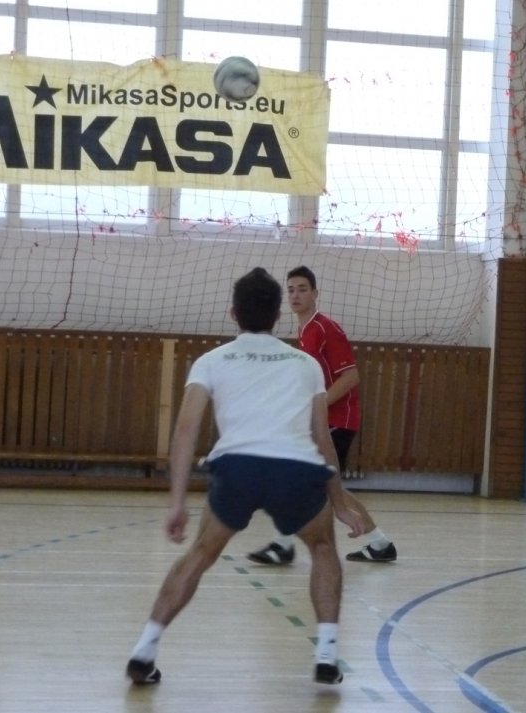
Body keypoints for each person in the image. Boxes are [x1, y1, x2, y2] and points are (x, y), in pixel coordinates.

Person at [126, 267, 364, 687]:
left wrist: (177, 502)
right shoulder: (306, 364)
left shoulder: (211, 361)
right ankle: (327, 654)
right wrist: (340, 501)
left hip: (237, 470)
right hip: (294, 470)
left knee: (200, 553)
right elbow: (322, 438)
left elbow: (185, 431)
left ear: (233, 314)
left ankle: (144, 651)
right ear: (277, 315)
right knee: (323, 546)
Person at [247, 265, 398, 565]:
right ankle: (379, 543)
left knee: (301, 479)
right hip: (323, 420)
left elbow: (351, 377)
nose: (296, 295)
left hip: (338, 420)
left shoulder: (326, 328)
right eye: (291, 290)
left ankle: (283, 544)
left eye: (302, 289)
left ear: (316, 293)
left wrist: (317, 406)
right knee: (330, 486)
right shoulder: (305, 332)